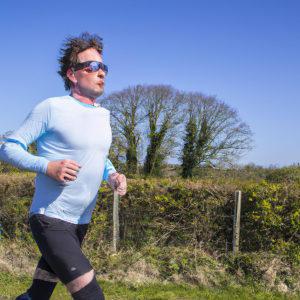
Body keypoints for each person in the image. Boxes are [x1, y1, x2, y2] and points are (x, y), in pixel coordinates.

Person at [0, 32, 126, 300]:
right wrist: (48, 166)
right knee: (91, 295)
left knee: (39, 293)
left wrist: (112, 175)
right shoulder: (51, 107)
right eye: (92, 66)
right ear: (72, 74)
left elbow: (98, 156)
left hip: (80, 222)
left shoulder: (103, 115)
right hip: (51, 218)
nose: (100, 72)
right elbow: (9, 148)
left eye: (103, 66)